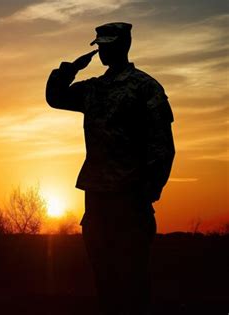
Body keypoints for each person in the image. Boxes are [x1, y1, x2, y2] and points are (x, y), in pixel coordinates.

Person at [46, 22, 175, 315]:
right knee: (104, 279)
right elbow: (55, 97)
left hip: (130, 197)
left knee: (133, 279)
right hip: (97, 196)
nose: (103, 50)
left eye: (108, 44)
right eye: (100, 45)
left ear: (123, 45)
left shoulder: (145, 87)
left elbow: (162, 145)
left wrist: (149, 190)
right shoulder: (94, 89)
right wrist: (69, 70)